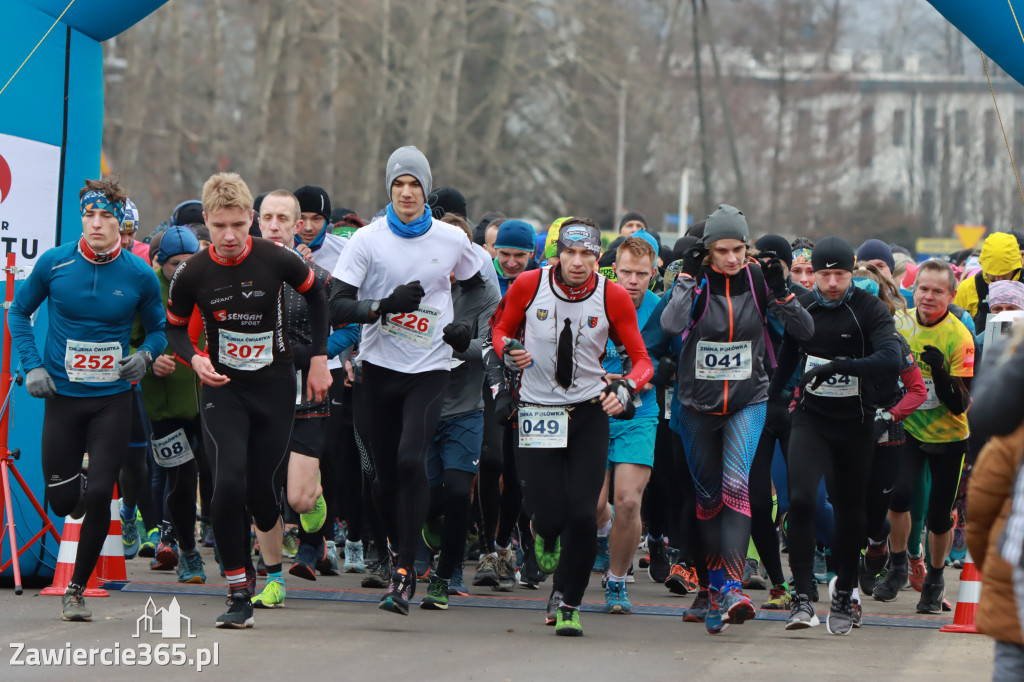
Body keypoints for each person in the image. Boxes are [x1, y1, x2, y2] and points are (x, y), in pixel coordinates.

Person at [165, 172, 331, 629]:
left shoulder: (275, 259)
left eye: (239, 224)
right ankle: (239, 591)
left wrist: (318, 358)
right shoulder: (193, 272)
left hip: (275, 386)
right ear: (206, 222)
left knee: (262, 490)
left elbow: (317, 297)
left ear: (252, 220)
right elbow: (175, 327)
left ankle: (268, 563)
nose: (231, 236)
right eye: (220, 227)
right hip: (224, 388)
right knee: (227, 484)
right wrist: (195, 360)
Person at [329, 145, 483, 616]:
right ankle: (397, 550)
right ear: (389, 190)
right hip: (378, 370)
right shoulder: (367, 241)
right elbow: (337, 306)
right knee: (381, 478)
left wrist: (466, 330)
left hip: (430, 369)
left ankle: (404, 571)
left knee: (410, 461)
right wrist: (381, 307)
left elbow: (483, 285)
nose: (406, 192)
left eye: (415, 184)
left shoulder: (450, 240)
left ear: (426, 190)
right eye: (398, 184)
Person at [9, 178, 166, 622]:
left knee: (100, 493)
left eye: (107, 217)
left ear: (122, 225)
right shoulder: (55, 263)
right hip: (62, 395)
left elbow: (157, 330)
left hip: (112, 400)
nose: (97, 224)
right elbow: (20, 312)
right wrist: (31, 365)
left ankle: (75, 589)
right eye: (90, 215)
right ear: (82, 217)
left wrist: (146, 355)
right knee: (63, 502)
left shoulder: (139, 275)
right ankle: (72, 490)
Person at [490, 217, 652, 636]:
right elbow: (501, 328)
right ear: (557, 253)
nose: (577, 262)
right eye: (570, 252)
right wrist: (507, 348)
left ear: (600, 259)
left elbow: (641, 360)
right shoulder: (529, 284)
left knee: (584, 513)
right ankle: (542, 533)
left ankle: (568, 600)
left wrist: (627, 387)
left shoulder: (612, 295)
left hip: (587, 411)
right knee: (549, 517)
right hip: (537, 410)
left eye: (587, 255)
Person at [661, 205, 814, 635]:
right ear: (708, 250)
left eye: (739, 249)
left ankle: (731, 587)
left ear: (748, 248)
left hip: (749, 400)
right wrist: (687, 281)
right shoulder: (697, 278)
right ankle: (714, 590)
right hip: (696, 405)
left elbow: (804, 332)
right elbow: (671, 325)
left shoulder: (758, 280)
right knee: (708, 499)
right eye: (722, 250)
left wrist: (783, 291)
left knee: (735, 486)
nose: (731, 258)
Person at [769, 236, 901, 636]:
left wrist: (843, 365)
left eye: (839, 275)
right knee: (802, 500)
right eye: (823, 275)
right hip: (811, 418)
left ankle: (844, 589)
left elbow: (891, 358)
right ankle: (804, 594)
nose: (830, 283)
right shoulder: (805, 306)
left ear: (851, 272)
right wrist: (771, 397)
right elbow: (789, 356)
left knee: (849, 509)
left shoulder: (869, 308)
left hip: (855, 422)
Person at [247, 189, 341, 608]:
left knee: (299, 498)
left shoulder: (316, 277)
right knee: (263, 493)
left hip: (305, 393)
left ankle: (316, 503)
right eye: (267, 217)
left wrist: (321, 354)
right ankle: (273, 579)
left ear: (297, 224)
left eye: (283, 218)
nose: (274, 225)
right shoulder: (239, 272)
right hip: (257, 395)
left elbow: (347, 321)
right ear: (256, 220)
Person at [877, 259, 974, 614]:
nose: (929, 297)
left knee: (937, 516)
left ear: (951, 294)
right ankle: (898, 565)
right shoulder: (900, 324)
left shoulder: (958, 335)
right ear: (913, 290)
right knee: (898, 496)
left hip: (949, 436)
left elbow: (960, 404)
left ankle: (934, 578)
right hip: (909, 428)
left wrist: (940, 372)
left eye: (937, 291)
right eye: (923, 289)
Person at [420, 220, 501, 609]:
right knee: (429, 499)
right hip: (422, 406)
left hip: (466, 407)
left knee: (457, 493)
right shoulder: (414, 281)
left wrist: (461, 342)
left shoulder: (486, 291)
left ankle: (446, 573)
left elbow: (490, 350)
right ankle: (425, 533)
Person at [593, 235, 662, 615]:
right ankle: (606, 530)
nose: (633, 281)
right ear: (613, 270)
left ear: (653, 273)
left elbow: (670, 362)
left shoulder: (661, 310)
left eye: (641, 274)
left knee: (629, 501)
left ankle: (617, 581)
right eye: (626, 273)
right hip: (593, 412)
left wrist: (648, 376)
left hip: (639, 414)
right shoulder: (596, 301)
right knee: (593, 506)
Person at [136, 225, 207, 584]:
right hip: (165, 408)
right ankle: (188, 553)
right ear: (159, 263)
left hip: (210, 400)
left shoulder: (208, 283)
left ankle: (230, 552)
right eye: (173, 263)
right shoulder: (146, 290)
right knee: (181, 479)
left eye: (188, 262)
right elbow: (125, 342)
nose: (181, 269)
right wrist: (149, 361)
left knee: (219, 476)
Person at [968, 417, 1024, 681]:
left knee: (1012, 663)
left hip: (1013, 578)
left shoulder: (1011, 438)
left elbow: (979, 517)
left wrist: (988, 567)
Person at [955, 232, 1023, 332]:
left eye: (1005, 276)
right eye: (993, 276)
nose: (999, 282)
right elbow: (954, 329)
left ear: (1016, 267)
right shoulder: (967, 288)